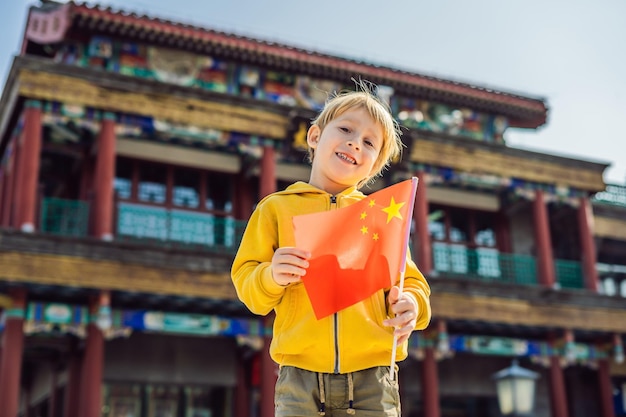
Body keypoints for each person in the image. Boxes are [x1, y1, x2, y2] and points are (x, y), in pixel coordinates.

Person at [231, 81, 431, 417]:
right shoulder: (276, 208)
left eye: (369, 142)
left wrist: (414, 305)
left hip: (374, 374)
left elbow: (411, 281)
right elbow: (248, 285)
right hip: (300, 375)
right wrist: (271, 275)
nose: (355, 142)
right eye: (346, 129)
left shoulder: (383, 217)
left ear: (375, 165)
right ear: (314, 137)